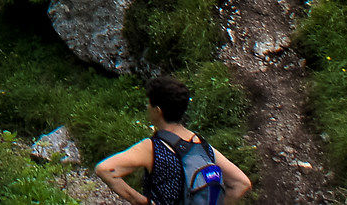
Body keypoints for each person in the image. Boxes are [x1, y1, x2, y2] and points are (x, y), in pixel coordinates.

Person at [93, 75, 251, 204]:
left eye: (149, 104)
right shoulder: (201, 145)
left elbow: (104, 169)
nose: (147, 108)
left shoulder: (153, 147)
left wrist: (140, 201)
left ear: (158, 110)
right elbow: (242, 184)